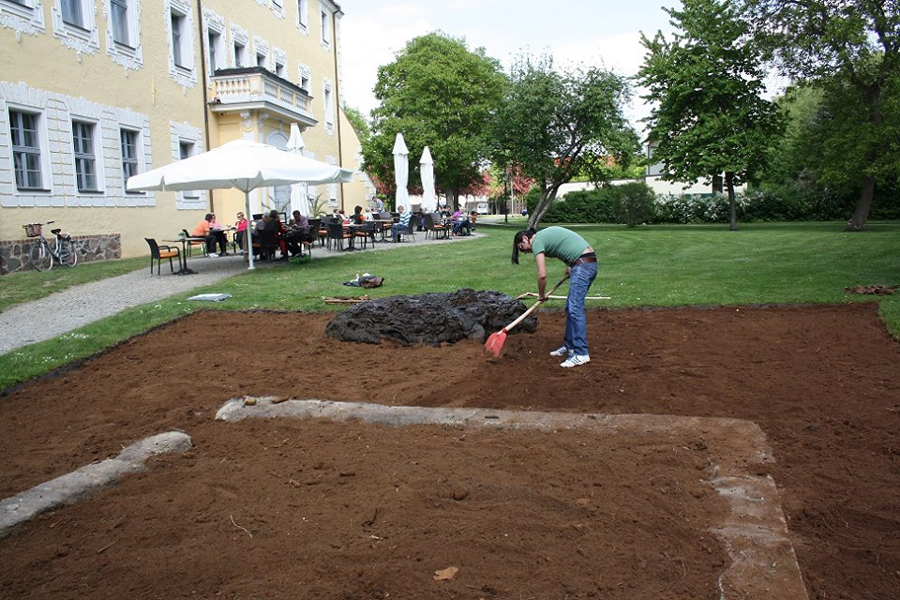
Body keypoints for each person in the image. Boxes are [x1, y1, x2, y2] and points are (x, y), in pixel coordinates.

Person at [512, 226, 597, 369]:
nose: (525, 252)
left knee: (575, 309)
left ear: (526, 238)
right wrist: (570, 264)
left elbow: (542, 275)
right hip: (584, 262)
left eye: (522, 248)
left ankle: (581, 353)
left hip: (583, 266)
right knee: (570, 307)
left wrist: (541, 295)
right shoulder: (543, 237)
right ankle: (569, 346)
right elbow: (564, 244)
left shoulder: (537, 241)